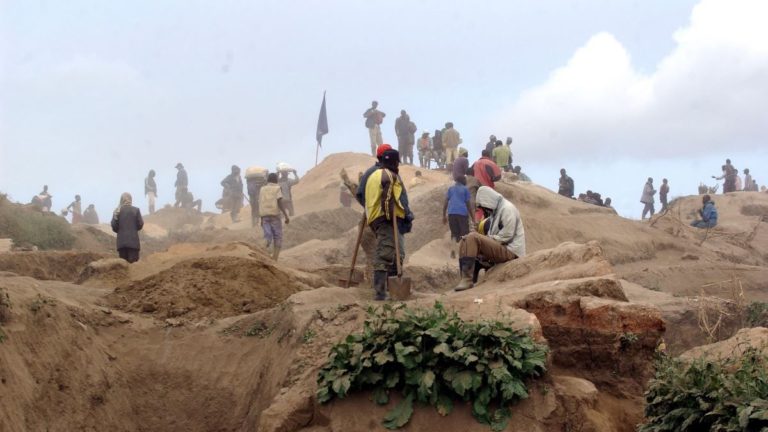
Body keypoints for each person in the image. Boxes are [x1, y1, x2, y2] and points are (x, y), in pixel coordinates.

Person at [454, 186, 525, 291]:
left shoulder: (507, 209)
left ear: (488, 201)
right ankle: (466, 280)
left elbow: (507, 236)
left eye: (483, 207)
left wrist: (484, 240)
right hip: (502, 247)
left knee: (473, 237)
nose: (483, 210)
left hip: (511, 252)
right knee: (465, 240)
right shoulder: (495, 212)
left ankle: (467, 280)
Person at [364, 149, 413, 301]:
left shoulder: (374, 175)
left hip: (375, 217)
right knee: (385, 252)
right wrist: (388, 215)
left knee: (395, 252)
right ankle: (380, 292)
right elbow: (387, 199)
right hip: (386, 218)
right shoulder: (389, 176)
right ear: (395, 162)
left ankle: (391, 289)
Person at [259, 173, 290, 260]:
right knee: (277, 236)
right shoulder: (277, 188)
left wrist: (261, 218)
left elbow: (261, 203)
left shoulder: (262, 189)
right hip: (274, 215)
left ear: (268, 180)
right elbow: (280, 201)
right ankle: (275, 259)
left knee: (267, 236)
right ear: (276, 180)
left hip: (264, 216)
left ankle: (262, 251)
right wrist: (286, 215)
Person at [443, 176, 474, 259]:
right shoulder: (465, 189)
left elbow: (445, 202)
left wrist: (443, 216)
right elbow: (468, 205)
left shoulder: (451, 189)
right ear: (463, 180)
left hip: (451, 213)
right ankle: (464, 253)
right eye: (465, 179)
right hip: (462, 214)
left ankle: (453, 251)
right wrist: (473, 218)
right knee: (465, 234)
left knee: (454, 233)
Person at [111, 193, 144, 263]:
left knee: (123, 268)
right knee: (133, 268)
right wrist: (133, 229)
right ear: (131, 199)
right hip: (133, 243)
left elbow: (114, 226)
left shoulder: (117, 211)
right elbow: (140, 224)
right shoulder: (136, 210)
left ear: (121, 200)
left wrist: (121, 230)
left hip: (121, 244)